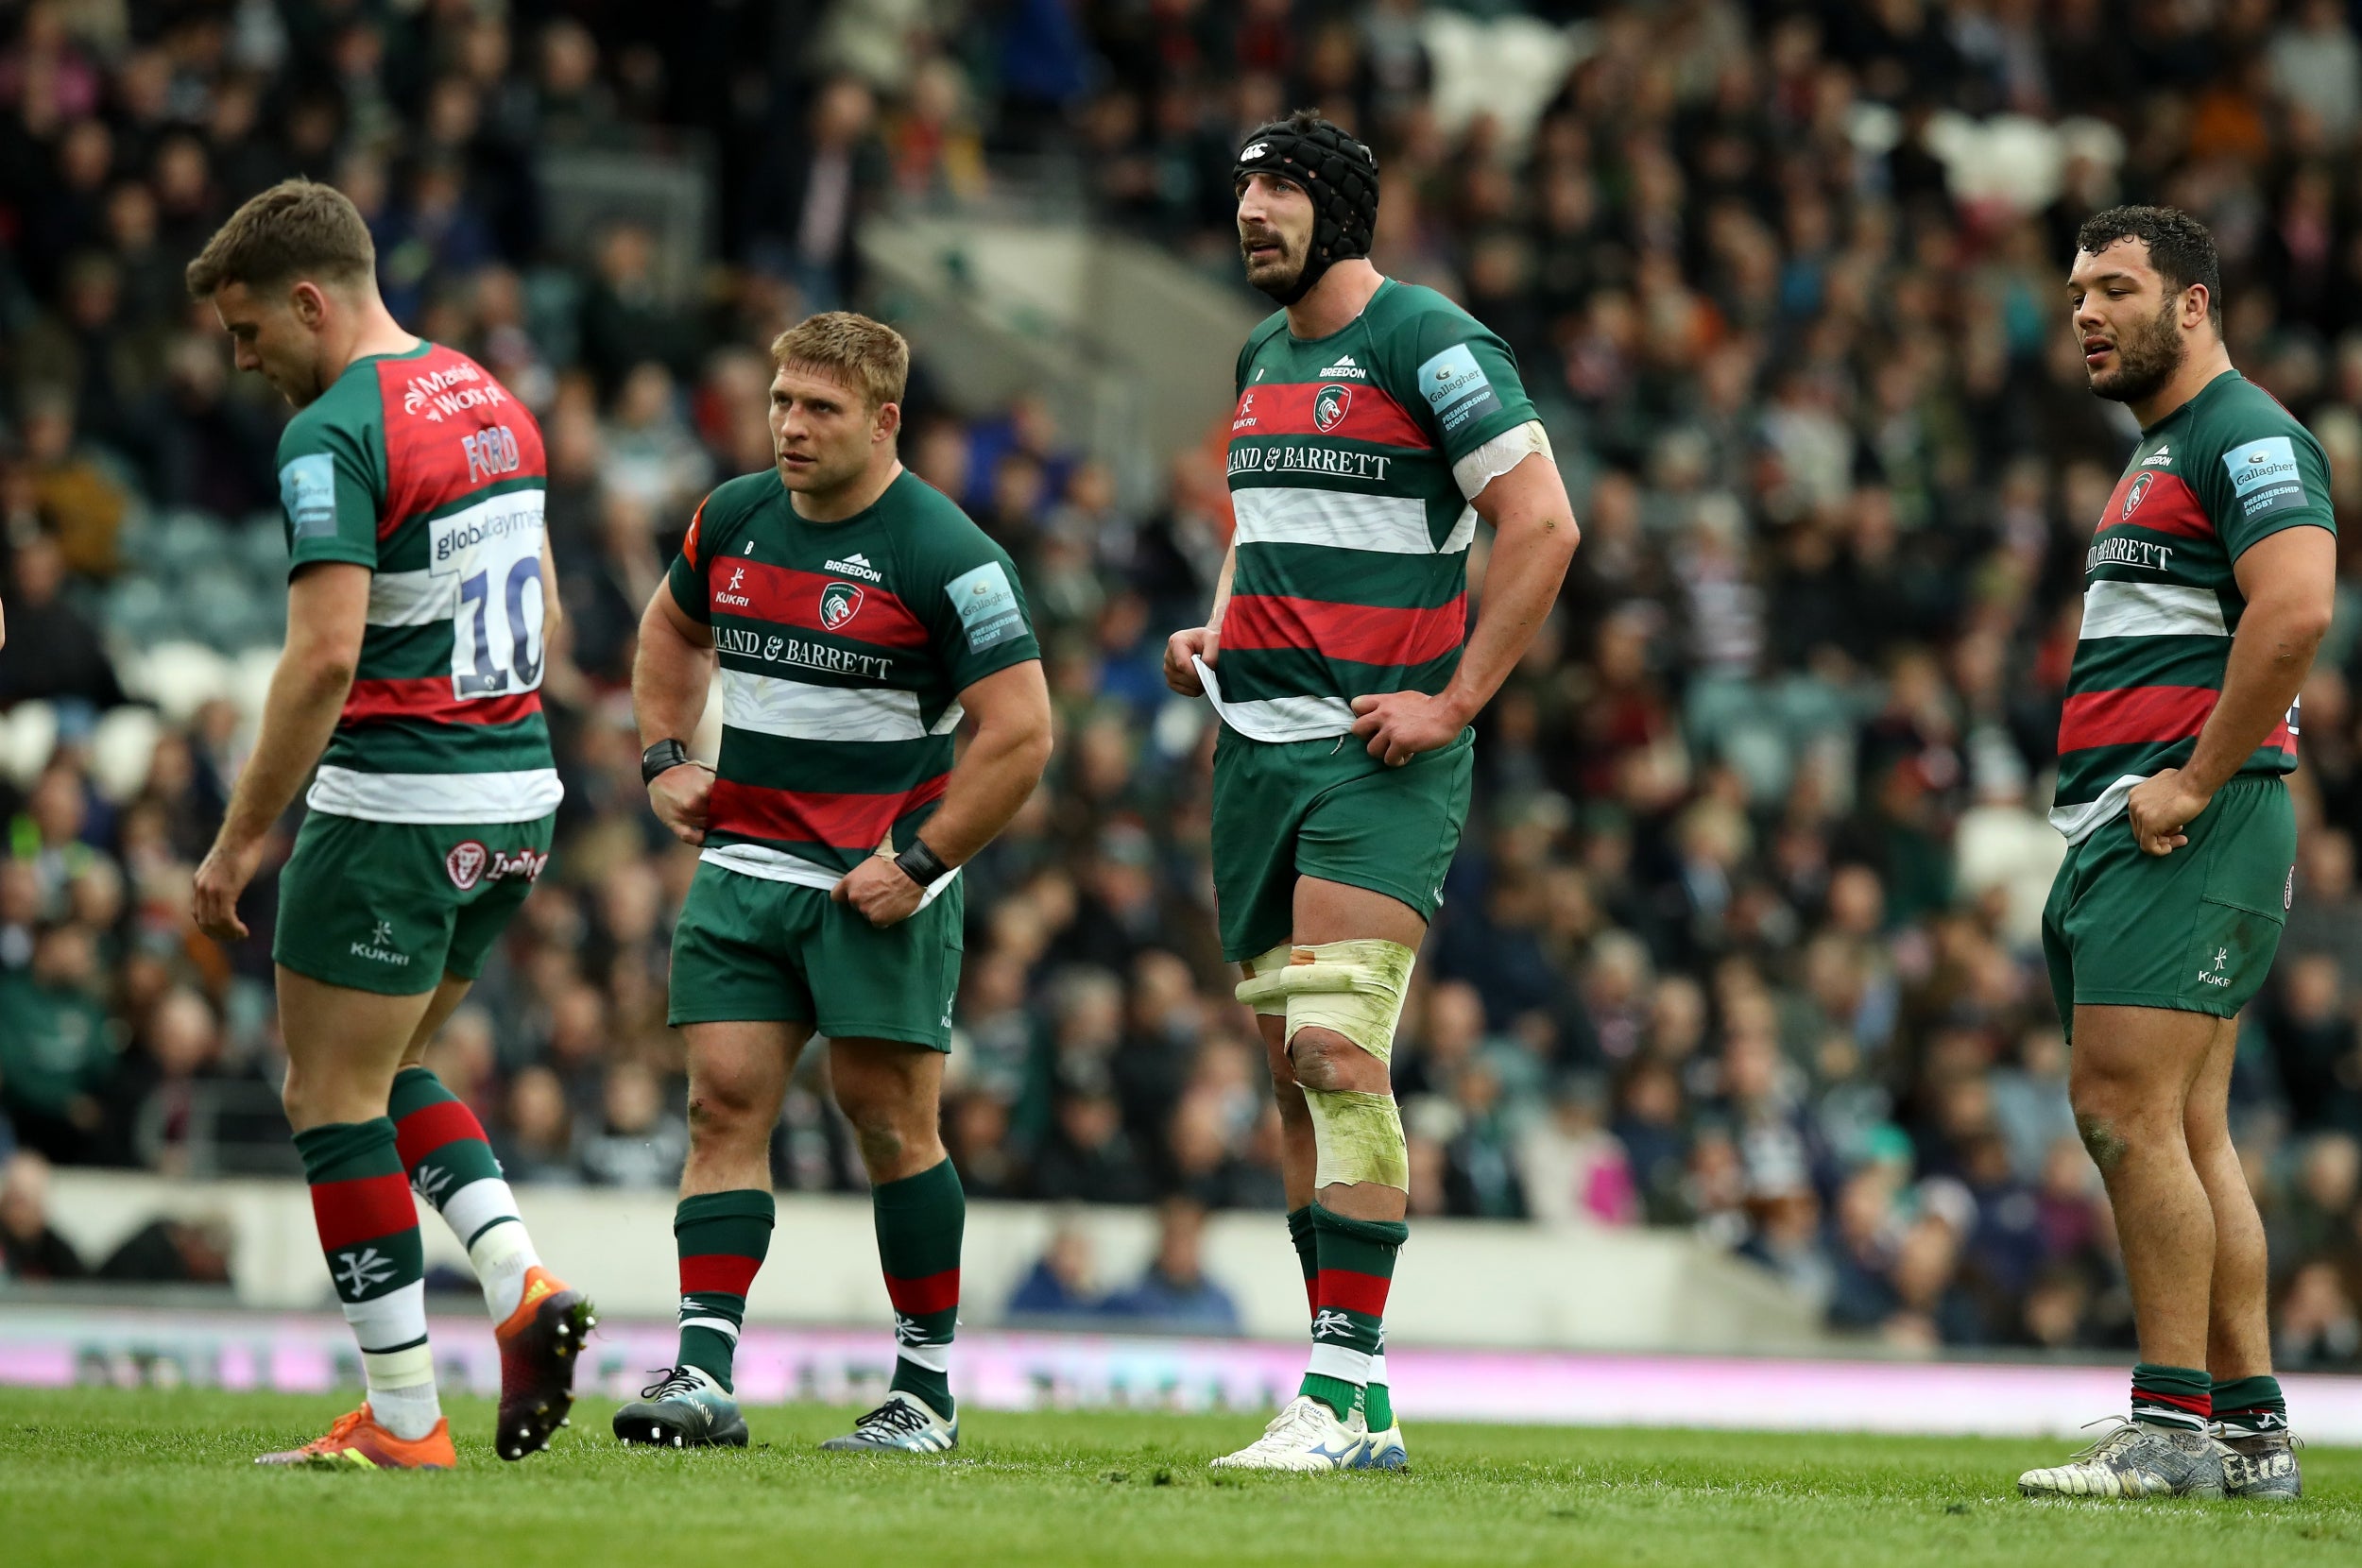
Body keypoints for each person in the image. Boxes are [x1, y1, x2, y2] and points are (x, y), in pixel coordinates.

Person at [1164, 111, 1579, 1472]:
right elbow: (1262, 531)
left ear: (1341, 208)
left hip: (1376, 760)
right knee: (1294, 1083)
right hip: (1256, 753)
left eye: (1279, 188)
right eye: (1243, 191)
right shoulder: (1258, 356)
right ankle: (1358, 1390)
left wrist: (1454, 699)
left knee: (1338, 1054)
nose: (1252, 214)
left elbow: (1545, 522)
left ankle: (1336, 1402)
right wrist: (1218, 624)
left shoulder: (1431, 343)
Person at [183, 179, 592, 1472]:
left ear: (310, 299)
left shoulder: (332, 433)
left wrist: (240, 839)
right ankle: (521, 1283)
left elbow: (320, 661)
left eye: (250, 332)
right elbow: (558, 624)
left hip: (397, 805)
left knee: (326, 1093)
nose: (243, 361)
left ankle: (406, 1418)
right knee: (394, 1066)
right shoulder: (488, 396)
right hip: (517, 801)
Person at [617, 312, 1051, 1455]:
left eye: (819, 409)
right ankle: (702, 1377)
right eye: (780, 402)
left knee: (890, 1122)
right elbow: (668, 634)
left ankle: (925, 1393)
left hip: (875, 883)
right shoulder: (732, 517)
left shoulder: (947, 553)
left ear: (884, 420)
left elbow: (1020, 734)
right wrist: (665, 762)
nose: (790, 426)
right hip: (744, 870)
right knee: (721, 1103)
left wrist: (919, 862)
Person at [2017, 207, 2331, 1503]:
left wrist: (2196, 777)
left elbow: (2301, 606)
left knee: (2127, 1114)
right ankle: (2249, 1434)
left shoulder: (2243, 433)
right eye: (2078, 290)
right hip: (2157, 821)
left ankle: (2169, 1429)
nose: (2087, 310)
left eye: (2117, 288)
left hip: (2193, 818)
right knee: (2191, 1129)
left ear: (2192, 304)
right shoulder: (2163, 446)